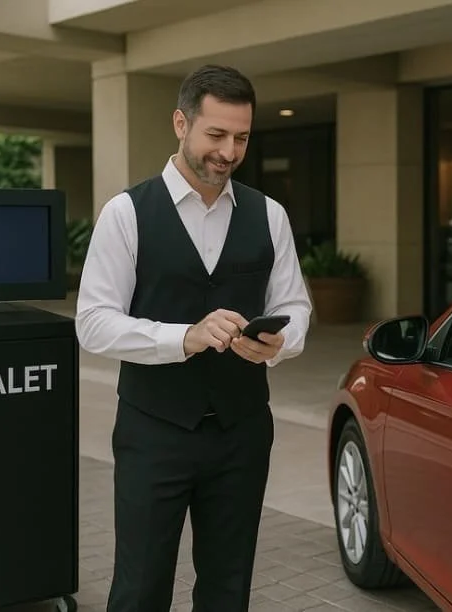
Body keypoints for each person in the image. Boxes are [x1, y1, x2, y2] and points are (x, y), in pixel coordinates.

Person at [74, 64, 312, 612]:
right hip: (153, 431)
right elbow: (92, 321)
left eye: (242, 137)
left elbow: (293, 307)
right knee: (140, 587)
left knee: (228, 587)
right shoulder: (126, 213)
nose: (229, 151)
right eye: (216, 134)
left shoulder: (269, 215)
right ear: (181, 123)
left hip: (243, 431)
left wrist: (282, 341)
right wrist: (185, 337)